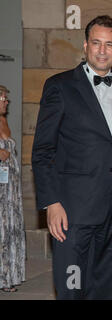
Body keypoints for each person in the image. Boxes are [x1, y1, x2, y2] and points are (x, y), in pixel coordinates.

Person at [32, 15, 112, 299]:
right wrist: (51, 202)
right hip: (73, 210)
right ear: (85, 45)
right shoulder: (60, 85)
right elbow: (42, 150)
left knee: (104, 286)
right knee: (72, 284)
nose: (102, 51)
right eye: (96, 43)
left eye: (110, 44)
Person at [0, 85, 25, 293]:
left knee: (9, 228)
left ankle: (7, 276)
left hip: (10, 186)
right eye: (2, 97)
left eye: (6, 97)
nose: (6, 101)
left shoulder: (3, 120)